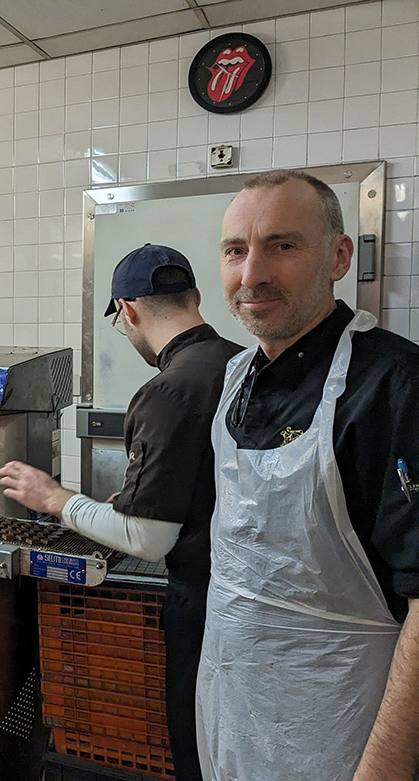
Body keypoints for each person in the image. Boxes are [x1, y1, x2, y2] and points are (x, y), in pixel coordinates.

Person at [198, 169, 419, 780]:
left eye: (283, 245)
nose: (252, 274)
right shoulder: (237, 375)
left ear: (339, 256)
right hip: (232, 710)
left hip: (343, 729)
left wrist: (383, 771)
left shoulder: (394, 386)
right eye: (236, 251)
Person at [0, 244, 242, 780]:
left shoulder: (167, 390)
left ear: (126, 310)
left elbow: (147, 539)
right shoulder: (239, 361)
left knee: (197, 748)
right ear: (196, 297)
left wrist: (54, 499)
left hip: (204, 605)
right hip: (247, 599)